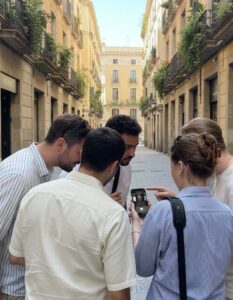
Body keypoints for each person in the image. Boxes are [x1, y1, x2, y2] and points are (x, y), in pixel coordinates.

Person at [150, 117, 233, 300]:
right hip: (231, 284)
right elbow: (216, 211)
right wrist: (182, 202)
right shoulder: (222, 174)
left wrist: (198, 230)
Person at [9, 127, 136, 300]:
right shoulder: (113, 215)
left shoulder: (34, 195)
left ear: (82, 154)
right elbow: (119, 294)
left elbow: (15, 256)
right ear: (114, 166)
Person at [131, 133, 233, 299]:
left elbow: (143, 268)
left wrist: (137, 227)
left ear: (180, 166)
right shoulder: (226, 213)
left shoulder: (163, 212)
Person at [0, 114, 91, 300]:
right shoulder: (21, 174)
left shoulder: (44, 170)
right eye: (78, 152)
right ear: (60, 144)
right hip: (10, 289)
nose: (80, 160)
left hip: (26, 285)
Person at [60, 114, 142, 207]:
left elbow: (122, 201)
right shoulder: (74, 172)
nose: (133, 154)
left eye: (135, 147)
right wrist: (102, 205)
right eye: (127, 147)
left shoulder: (126, 168)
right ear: (111, 139)